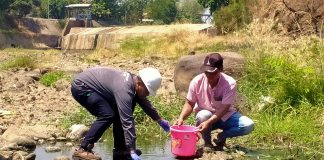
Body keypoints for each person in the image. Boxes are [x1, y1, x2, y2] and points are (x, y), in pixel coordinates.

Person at [71, 66, 170, 160]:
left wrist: (159, 120)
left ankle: (120, 151)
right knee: (108, 114)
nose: (148, 94)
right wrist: (132, 149)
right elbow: (127, 121)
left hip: (94, 88)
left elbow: (144, 103)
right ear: (139, 83)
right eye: (148, 91)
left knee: (126, 106)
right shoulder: (124, 89)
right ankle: (83, 149)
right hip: (82, 87)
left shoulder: (134, 83)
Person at [174, 53, 254, 151]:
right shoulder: (196, 81)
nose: (209, 75)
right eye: (206, 72)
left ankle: (221, 137)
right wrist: (181, 118)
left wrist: (209, 122)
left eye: (212, 72)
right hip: (204, 118)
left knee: (248, 125)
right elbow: (190, 103)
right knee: (203, 115)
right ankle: (207, 143)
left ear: (220, 69)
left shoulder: (229, 83)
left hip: (225, 116)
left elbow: (224, 108)